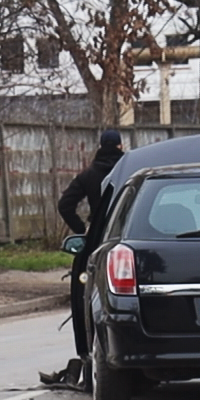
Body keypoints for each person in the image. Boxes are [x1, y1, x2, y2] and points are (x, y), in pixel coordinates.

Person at [60, 131, 125, 358]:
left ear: (100, 146)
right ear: (120, 146)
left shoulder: (88, 175)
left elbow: (65, 205)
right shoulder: (129, 172)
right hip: (126, 238)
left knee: (86, 293)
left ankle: (87, 350)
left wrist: (83, 231)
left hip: (98, 241)